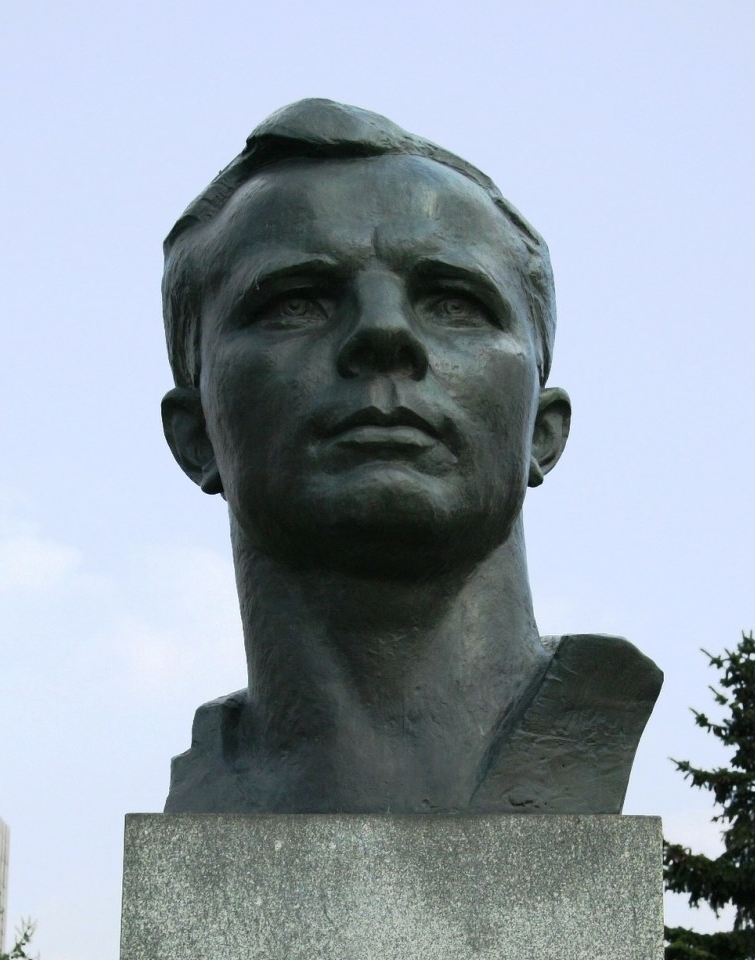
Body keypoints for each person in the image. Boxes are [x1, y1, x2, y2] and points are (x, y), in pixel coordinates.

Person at [160, 98, 661, 814]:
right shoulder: (211, 805)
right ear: (196, 433)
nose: (384, 334)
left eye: (455, 303)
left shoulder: (589, 725)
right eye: (296, 302)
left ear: (542, 431)